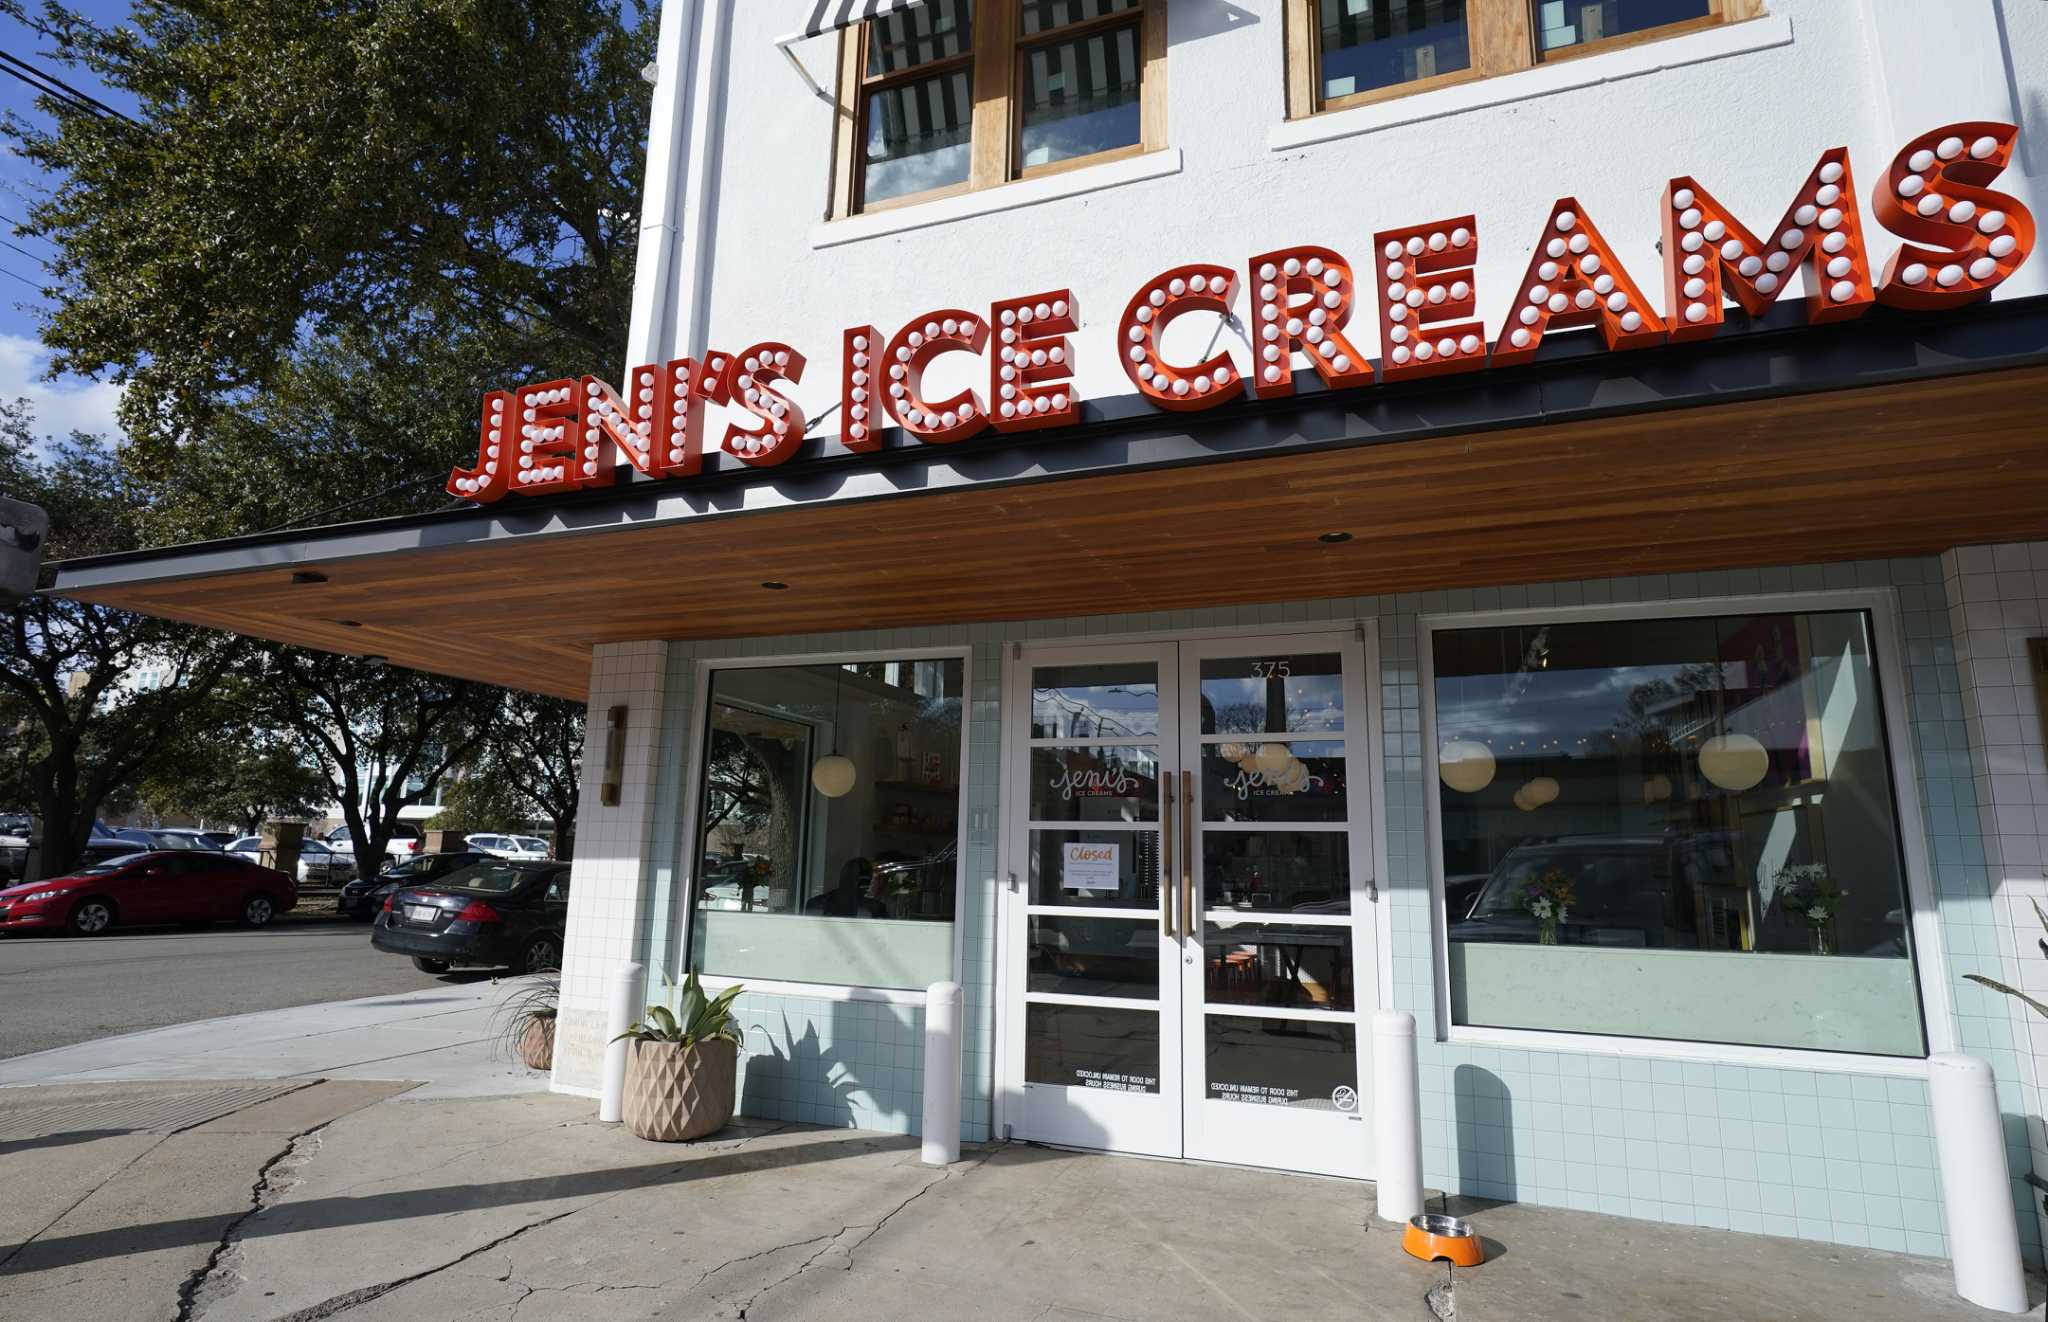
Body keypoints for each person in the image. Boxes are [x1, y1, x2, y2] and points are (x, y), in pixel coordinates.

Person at [805, 857, 886, 917]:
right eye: (859, 880)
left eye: (866, 881)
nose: (864, 886)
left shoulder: (875, 907)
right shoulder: (817, 904)